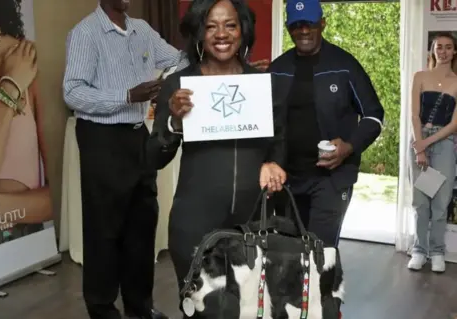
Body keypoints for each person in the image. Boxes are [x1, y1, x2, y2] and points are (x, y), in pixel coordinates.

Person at [146, 0, 286, 317]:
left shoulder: (262, 85)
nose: (221, 34)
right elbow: (153, 157)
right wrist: (175, 122)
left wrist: (273, 161)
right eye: (211, 26)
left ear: (243, 31)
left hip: (252, 223)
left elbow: (279, 140)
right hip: (195, 227)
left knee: (249, 311)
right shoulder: (178, 85)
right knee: (204, 312)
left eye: (230, 25)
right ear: (199, 32)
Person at [62, 0, 191, 318]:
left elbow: (179, 59)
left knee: (142, 225)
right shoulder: (85, 34)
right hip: (101, 139)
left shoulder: (142, 30)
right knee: (104, 228)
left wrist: (216, 56)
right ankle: (102, 307)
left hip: (138, 136)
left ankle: (139, 306)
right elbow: (72, 92)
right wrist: (127, 95)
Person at [268, 0, 384, 247]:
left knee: (320, 254)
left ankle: (322, 286)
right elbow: (262, 122)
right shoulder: (277, 69)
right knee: (288, 255)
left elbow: (374, 115)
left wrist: (350, 146)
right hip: (287, 180)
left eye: (309, 23)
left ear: (322, 23)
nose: (304, 31)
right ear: (289, 28)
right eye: (296, 25)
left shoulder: (345, 65)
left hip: (331, 180)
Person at [0, 0, 52, 251]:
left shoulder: (28, 59)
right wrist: (8, 92)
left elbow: (62, 196)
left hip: (26, 254)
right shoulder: (19, 71)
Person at [407, 32, 457, 273]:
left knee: (440, 201)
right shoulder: (420, 76)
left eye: (448, 47)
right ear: (433, 50)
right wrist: (420, 145)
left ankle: (437, 252)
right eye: (439, 46)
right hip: (419, 141)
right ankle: (419, 250)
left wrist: (428, 144)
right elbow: (414, 114)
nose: (444, 51)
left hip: (445, 143)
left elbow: (455, 124)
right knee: (420, 201)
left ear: (454, 52)